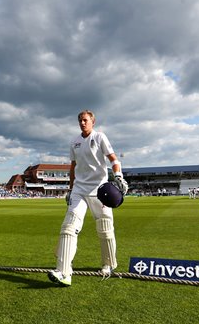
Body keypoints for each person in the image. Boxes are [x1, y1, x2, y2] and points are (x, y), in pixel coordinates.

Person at [48, 110, 127, 286]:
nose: (82, 123)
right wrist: (70, 188)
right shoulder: (74, 142)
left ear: (93, 121)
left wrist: (119, 177)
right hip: (79, 189)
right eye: (80, 121)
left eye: (85, 120)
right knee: (69, 227)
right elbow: (73, 166)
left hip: (100, 190)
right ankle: (64, 272)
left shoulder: (100, 137)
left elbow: (113, 159)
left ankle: (108, 264)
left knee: (105, 229)